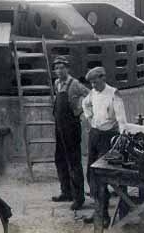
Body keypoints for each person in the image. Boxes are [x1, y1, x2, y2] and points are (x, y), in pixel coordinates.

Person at [82, 66, 128, 227]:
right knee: (91, 174)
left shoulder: (114, 94)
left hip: (108, 137)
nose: (93, 85)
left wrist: (122, 137)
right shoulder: (93, 92)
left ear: (103, 78)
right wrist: (89, 118)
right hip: (94, 135)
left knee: (105, 175)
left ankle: (111, 214)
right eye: (91, 83)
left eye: (95, 82)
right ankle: (99, 211)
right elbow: (85, 103)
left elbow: (122, 119)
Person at [50, 55, 89, 210]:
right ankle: (66, 192)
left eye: (62, 68)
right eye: (56, 68)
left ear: (68, 68)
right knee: (60, 159)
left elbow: (89, 95)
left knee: (74, 162)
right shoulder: (57, 83)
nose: (59, 71)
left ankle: (79, 198)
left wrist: (80, 111)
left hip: (71, 128)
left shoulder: (75, 84)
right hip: (59, 127)